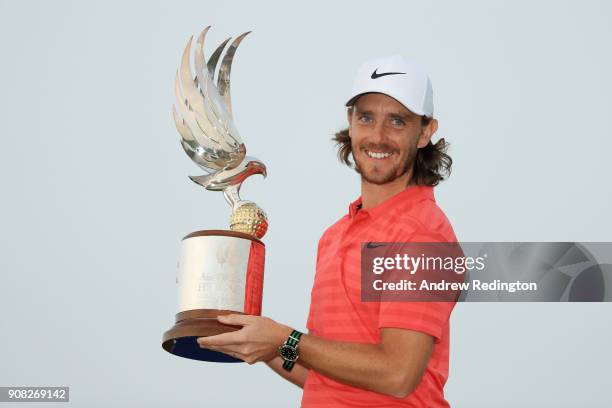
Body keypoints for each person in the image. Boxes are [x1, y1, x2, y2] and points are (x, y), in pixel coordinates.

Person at [197, 55, 458, 407]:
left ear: (425, 132)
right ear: (350, 123)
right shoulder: (335, 235)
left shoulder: (424, 234)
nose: (378, 137)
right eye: (366, 117)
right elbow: (322, 374)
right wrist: (256, 337)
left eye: (398, 121)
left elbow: (397, 374)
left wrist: (284, 338)